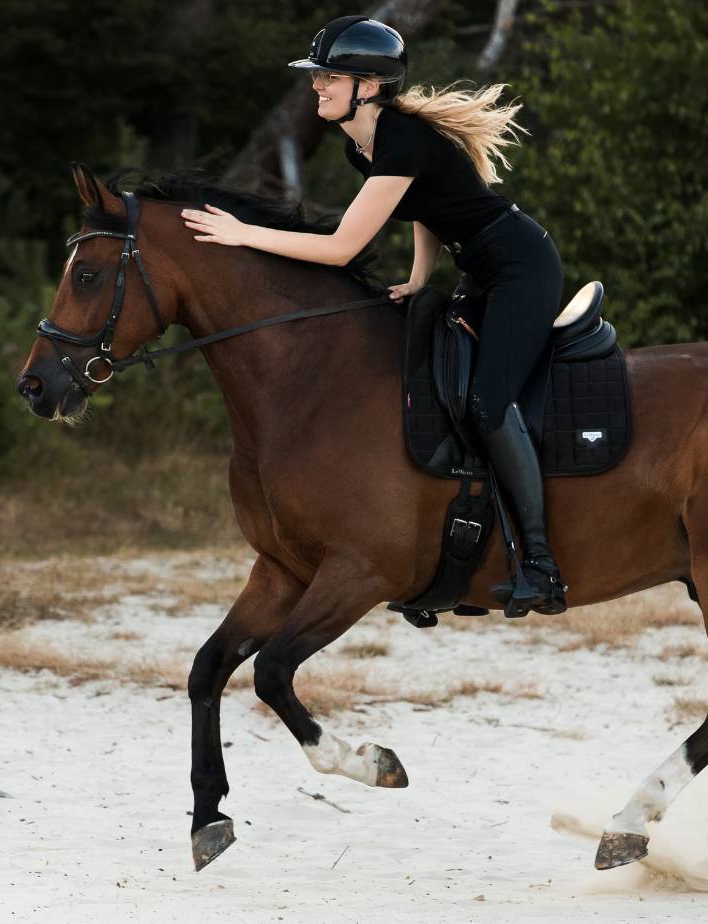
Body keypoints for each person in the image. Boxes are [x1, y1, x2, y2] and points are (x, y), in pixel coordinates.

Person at [180, 15, 567, 617]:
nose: (317, 89)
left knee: (487, 405)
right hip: (480, 269)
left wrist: (240, 235)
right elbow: (424, 207)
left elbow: (341, 249)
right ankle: (451, 553)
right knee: (434, 389)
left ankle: (540, 563)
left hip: (521, 268)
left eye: (328, 79)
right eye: (317, 79)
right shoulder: (365, 144)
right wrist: (418, 277)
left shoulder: (401, 141)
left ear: (368, 85)